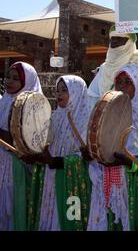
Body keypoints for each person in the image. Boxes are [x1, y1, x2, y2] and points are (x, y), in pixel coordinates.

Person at [87, 63, 138, 231]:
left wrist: (129, 163)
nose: (122, 86)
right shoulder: (110, 116)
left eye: (128, 82)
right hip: (111, 190)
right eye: (119, 82)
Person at [26, 75, 91, 231]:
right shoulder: (56, 116)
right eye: (57, 90)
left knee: (69, 218)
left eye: (64, 90)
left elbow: (87, 156)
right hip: (51, 178)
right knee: (50, 214)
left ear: (76, 92)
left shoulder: (86, 120)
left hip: (73, 183)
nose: (58, 94)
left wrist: (57, 162)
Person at [0, 62, 42, 230]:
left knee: (12, 207)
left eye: (16, 79)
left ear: (28, 82)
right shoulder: (4, 101)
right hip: (2, 164)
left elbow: (22, 141)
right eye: (8, 77)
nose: (9, 81)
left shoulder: (32, 107)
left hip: (16, 167)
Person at [87, 25, 138, 110]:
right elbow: (93, 95)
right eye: (112, 38)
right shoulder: (104, 68)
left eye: (119, 38)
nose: (114, 41)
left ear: (129, 42)